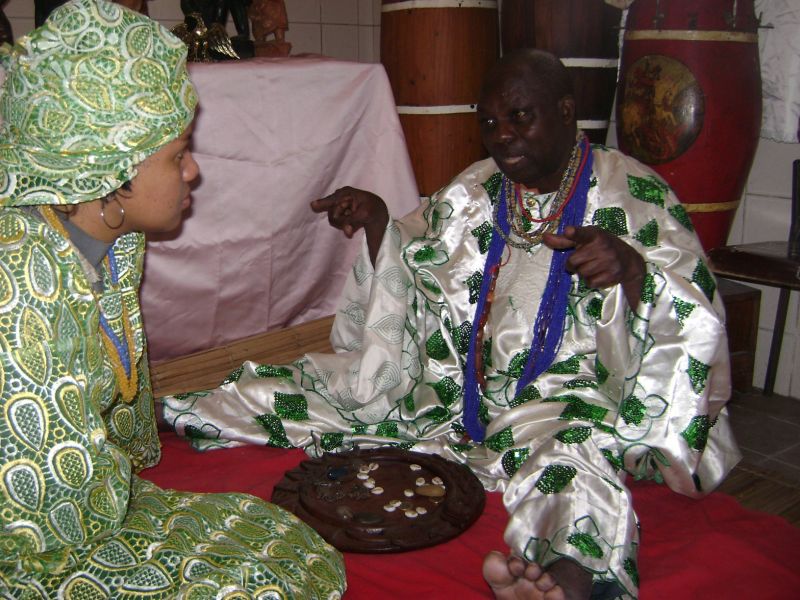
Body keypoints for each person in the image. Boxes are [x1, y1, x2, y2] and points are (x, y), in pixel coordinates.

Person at [161, 49, 740, 599]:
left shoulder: (633, 194)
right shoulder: (477, 188)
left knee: (574, 467)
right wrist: (380, 223)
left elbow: (698, 315)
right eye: (489, 122)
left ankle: (566, 580)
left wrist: (634, 272)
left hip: (564, 408)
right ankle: (170, 411)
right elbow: (418, 260)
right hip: (446, 395)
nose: (502, 135)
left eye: (520, 117)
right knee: (320, 386)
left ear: (567, 112)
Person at [0, 1, 345, 597]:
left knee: (290, 552)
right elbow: (46, 510)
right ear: (109, 171)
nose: (192, 173)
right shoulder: (22, 284)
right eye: (177, 155)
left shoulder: (112, 234)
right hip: (31, 543)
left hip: (92, 495)